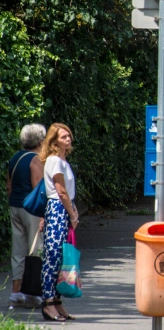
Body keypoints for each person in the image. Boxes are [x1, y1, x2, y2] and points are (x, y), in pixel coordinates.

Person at [40, 123, 78, 322]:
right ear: (54, 141)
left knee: (61, 258)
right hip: (57, 210)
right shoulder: (54, 161)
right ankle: (48, 304)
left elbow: (67, 193)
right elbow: (60, 191)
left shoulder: (63, 160)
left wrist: (73, 210)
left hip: (63, 208)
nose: (68, 139)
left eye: (69, 136)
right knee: (52, 258)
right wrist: (72, 215)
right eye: (63, 137)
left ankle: (57, 301)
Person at [5, 124, 46, 309]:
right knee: (35, 250)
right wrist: (44, 214)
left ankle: (15, 292)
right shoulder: (36, 159)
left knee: (18, 249)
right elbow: (38, 188)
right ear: (40, 141)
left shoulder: (14, 158)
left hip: (15, 206)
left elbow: (8, 187)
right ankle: (32, 293)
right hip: (31, 210)